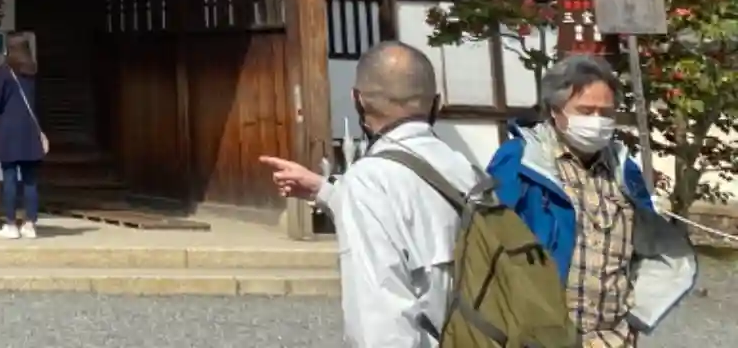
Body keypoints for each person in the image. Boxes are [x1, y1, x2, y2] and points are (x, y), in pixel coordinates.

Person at [260, 41, 479, 348]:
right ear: (437, 103)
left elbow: (380, 325)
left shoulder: (369, 181)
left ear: (358, 100)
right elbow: (419, 219)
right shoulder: (467, 170)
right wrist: (324, 190)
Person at [487, 54, 696, 347]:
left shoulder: (624, 169)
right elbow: (488, 248)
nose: (597, 121)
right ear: (555, 111)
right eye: (585, 111)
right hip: (539, 339)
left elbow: (650, 245)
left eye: (606, 113)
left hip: (613, 339)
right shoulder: (520, 162)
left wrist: (636, 315)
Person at [0, 32, 47, 239]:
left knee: (10, 178)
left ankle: (11, 224)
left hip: (9, 130)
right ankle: (30, 224)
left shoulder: (6, 71)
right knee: (30, 180)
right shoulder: (32, 71)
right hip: (29, 130)